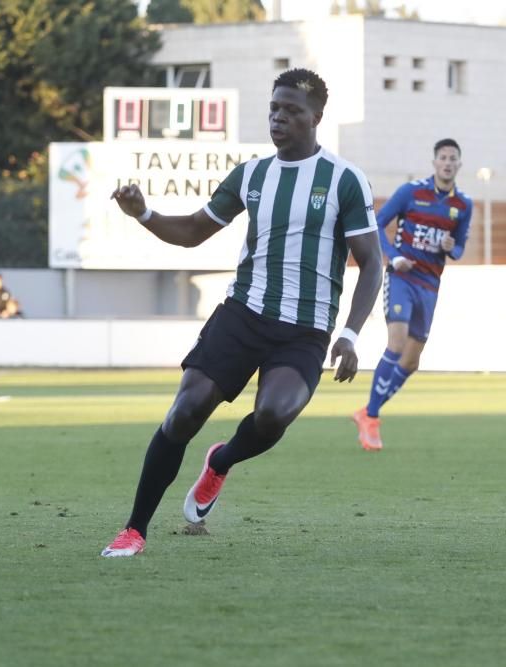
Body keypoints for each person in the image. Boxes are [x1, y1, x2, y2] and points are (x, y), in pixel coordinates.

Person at [100, 69, 384, 558]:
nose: (279, 118)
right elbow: (192, 231)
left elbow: (372, 262)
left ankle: (221, 461)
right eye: (274, 108)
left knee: (273, 415)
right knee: (185, 410)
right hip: (243, 313)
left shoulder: (344, 179)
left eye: (291, 110)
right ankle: (134, 530)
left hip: (306, 329)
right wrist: (144, 214)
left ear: (316, 117)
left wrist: (351, 334)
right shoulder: (252, 174)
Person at [352, 139, 472, 451]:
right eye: (443, 157)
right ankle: (372, 418)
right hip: (402, 277)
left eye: (453, 158)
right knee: (397, 340)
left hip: (430, 285)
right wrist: (392, 256)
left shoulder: (463, 205)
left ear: (459, 164)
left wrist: (452, 248)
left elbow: (459, 247)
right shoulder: (411, 192)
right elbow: (377, 224)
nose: (447, 163)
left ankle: (367, 411)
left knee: (412, 360)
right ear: (434, 162)